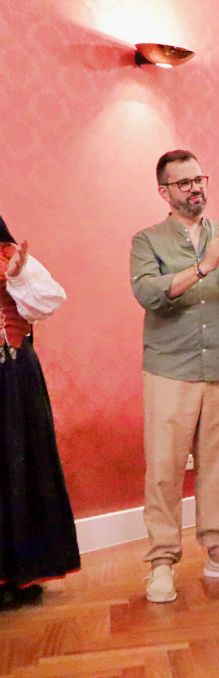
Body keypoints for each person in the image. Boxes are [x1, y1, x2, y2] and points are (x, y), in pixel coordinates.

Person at [130, 150, 219, 604]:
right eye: (184, 182)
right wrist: (203, 266)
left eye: (199, 178)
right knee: (165, 469)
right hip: (170, 368)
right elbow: (150, 294)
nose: (196, 188)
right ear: (165, 192)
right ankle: (161, 564)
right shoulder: (147, 240)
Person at [0, 215, 78, 607]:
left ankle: (24, 574)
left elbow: (49, 300)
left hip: (12, 375)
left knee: (20, 466)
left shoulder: (10, 255)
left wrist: (15, 278)